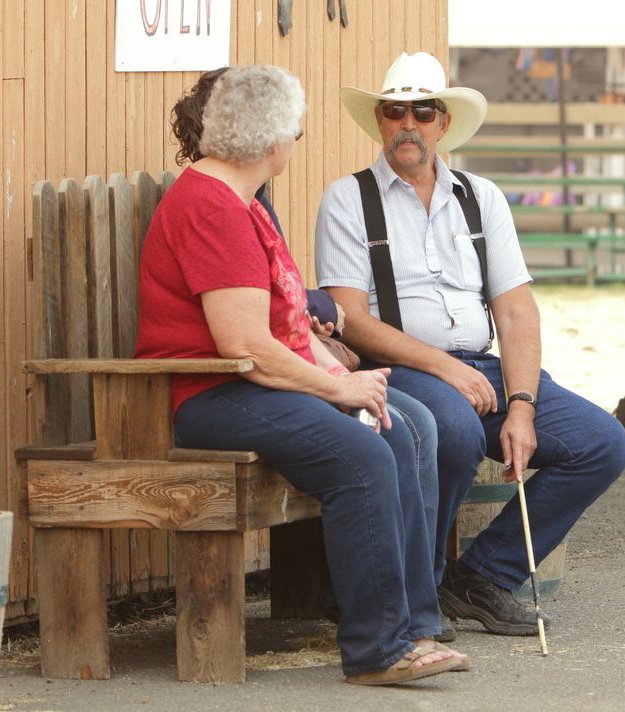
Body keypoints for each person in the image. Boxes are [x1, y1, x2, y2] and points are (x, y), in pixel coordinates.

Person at [134, 65, 468, 684]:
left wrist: (350, 383)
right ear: (270, 140)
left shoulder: (244, 201)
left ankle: (416, 627)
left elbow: (285, 322)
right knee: (363, 456)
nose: (296, 141)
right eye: (296, 131)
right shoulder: (213, 206)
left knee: (406, 424)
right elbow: (244, 343)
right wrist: (339, 387)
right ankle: (377, 650)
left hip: (249, 383)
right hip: (213, 393)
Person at [315, 52, 625, 639]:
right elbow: (350, 321)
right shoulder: (348, 199)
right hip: (397, 369)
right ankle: (416, 589)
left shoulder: (481, 197)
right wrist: (441, 367)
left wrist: (522, 404)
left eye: (423, 110)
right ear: (379, 121)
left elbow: (515, 311)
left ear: (444, 123)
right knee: (454, 433)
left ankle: (482, 575)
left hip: (480, 367)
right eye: (394, 110)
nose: (408, 122)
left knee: (602, 444)